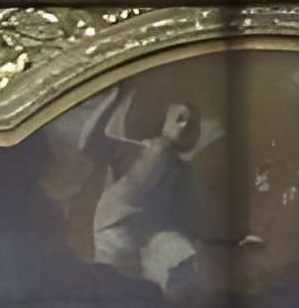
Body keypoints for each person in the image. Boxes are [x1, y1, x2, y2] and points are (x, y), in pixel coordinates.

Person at [89, 91, 223, 293]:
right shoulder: (149, 158)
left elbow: (196, 220)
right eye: (180, 118)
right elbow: (137, 185)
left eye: (192, 123)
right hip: (123, 267)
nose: (185, 125)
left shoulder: (178, 169)